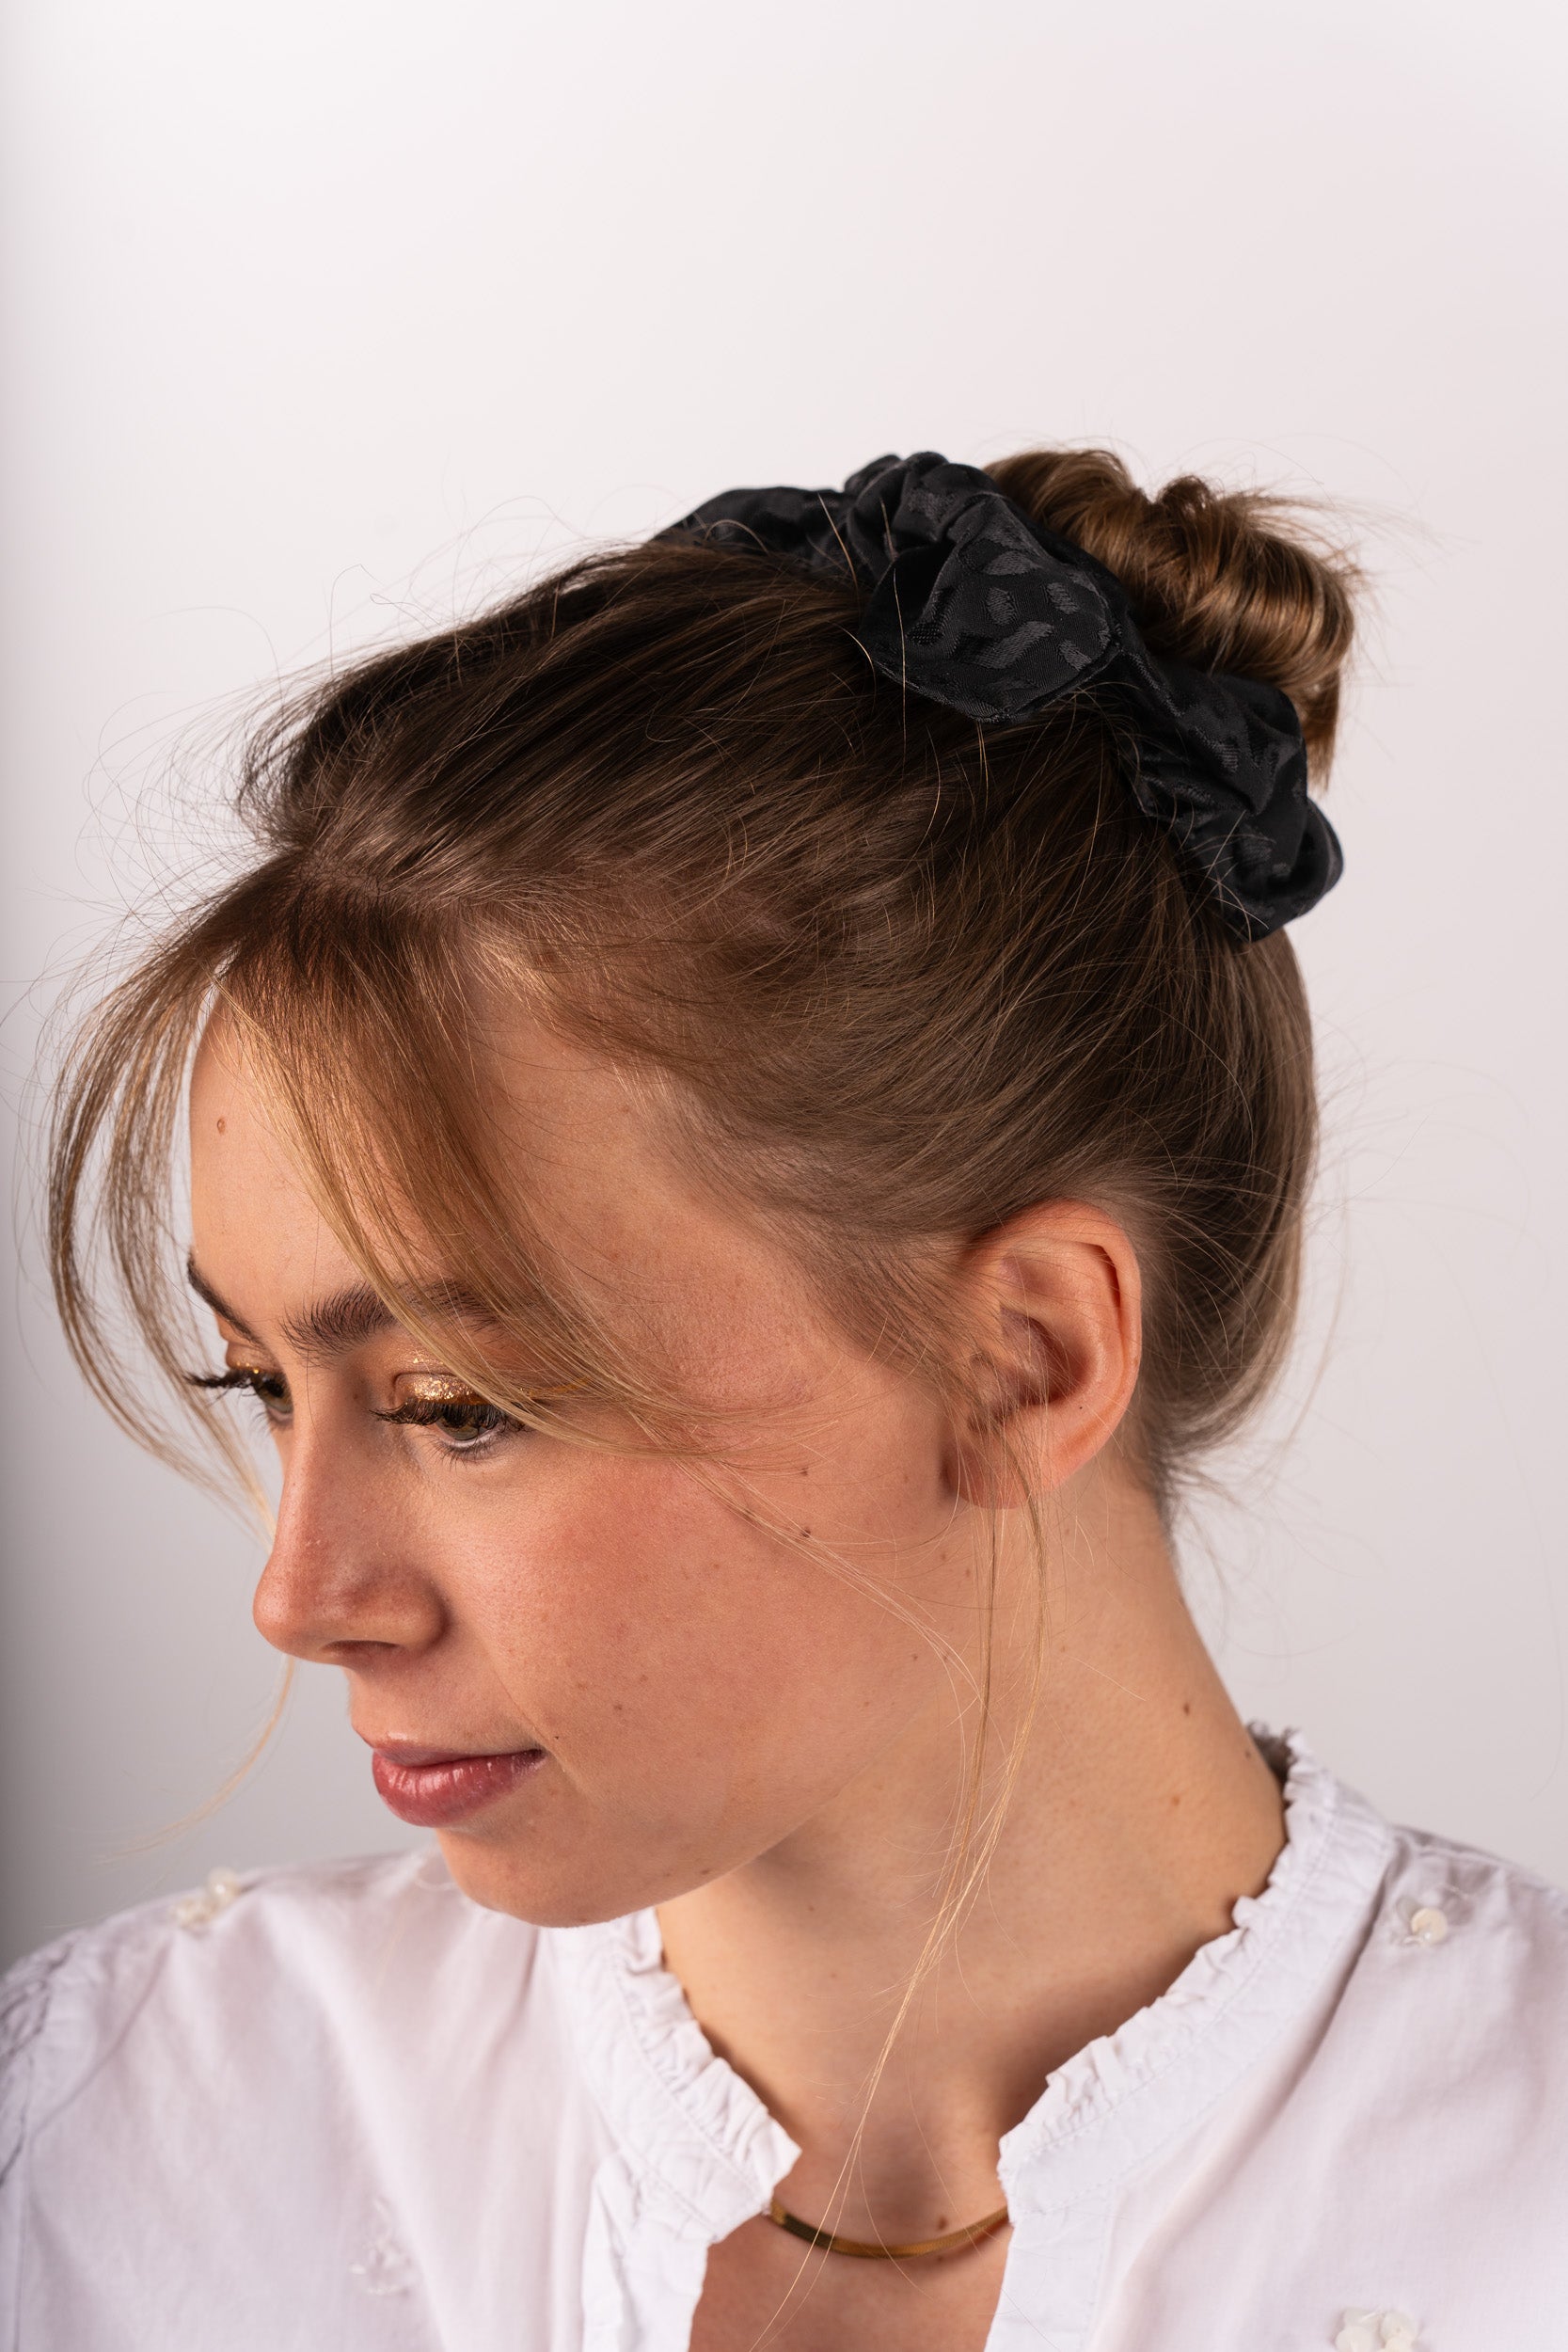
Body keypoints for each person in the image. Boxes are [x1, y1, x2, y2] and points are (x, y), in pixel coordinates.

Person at [2, 450, 1562, 2352]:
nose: (301, 1595)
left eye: (456, 1404)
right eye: (259, 1381)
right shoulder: (98, 2148)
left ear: (1026, 1358)